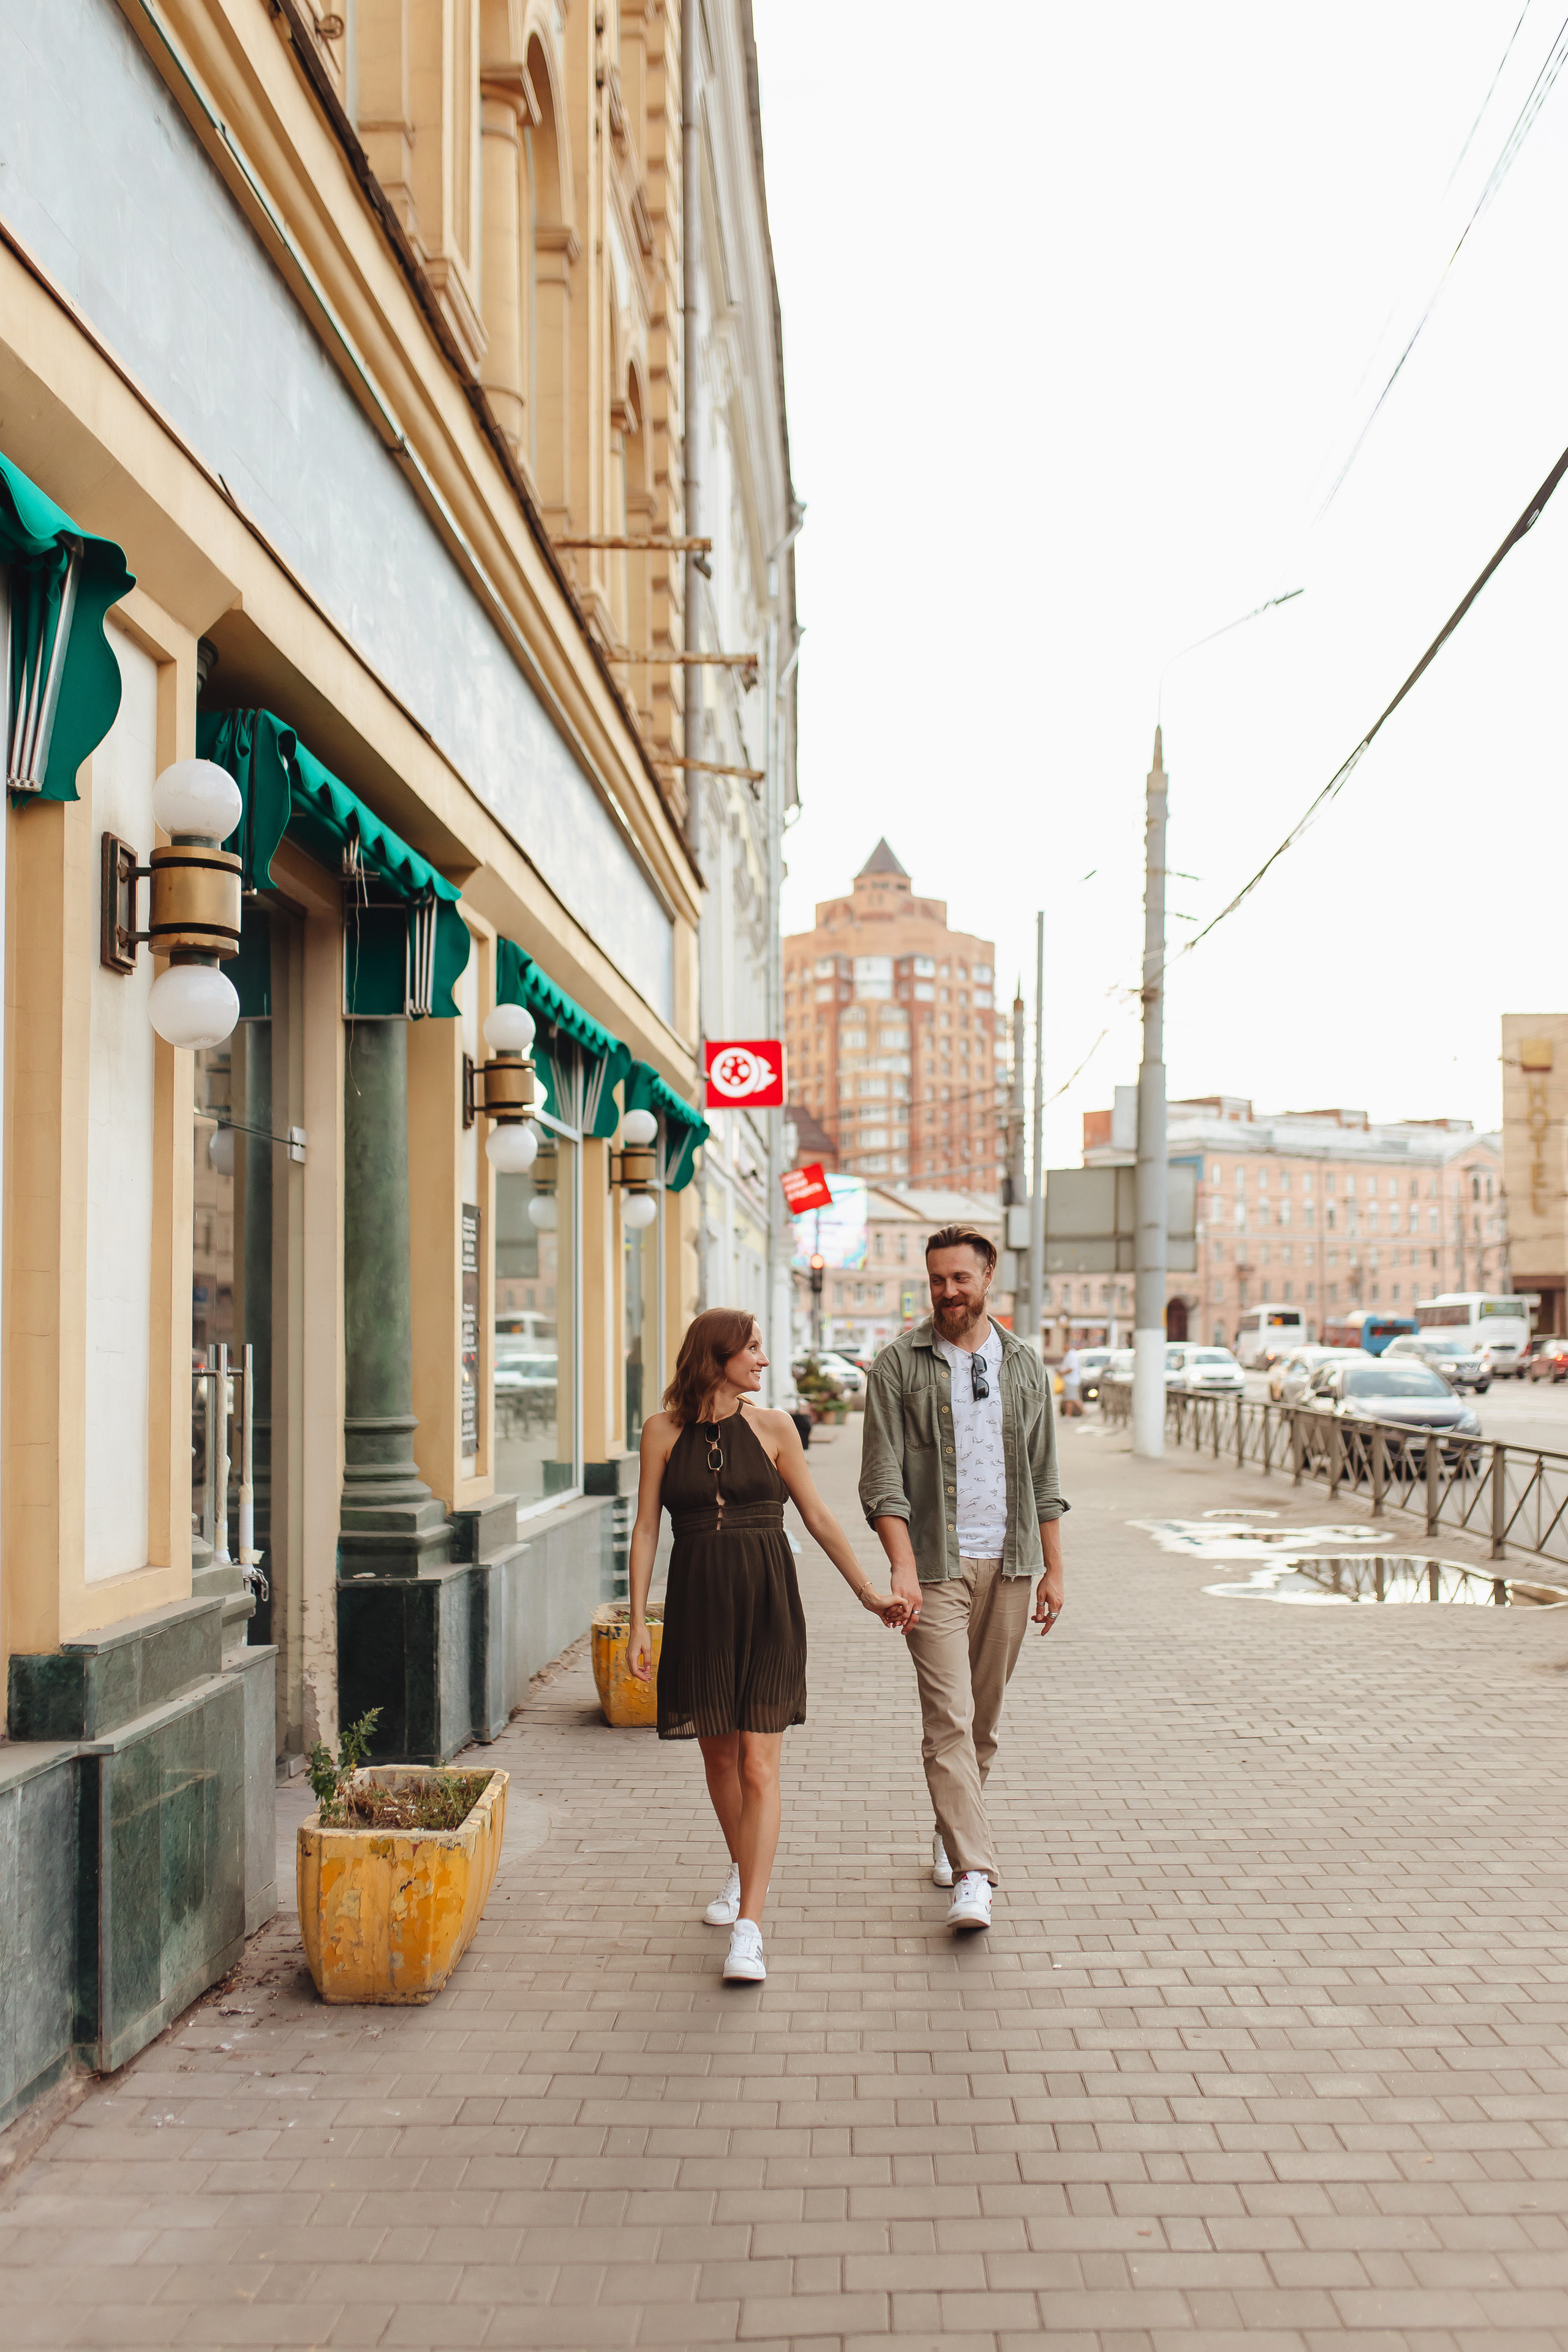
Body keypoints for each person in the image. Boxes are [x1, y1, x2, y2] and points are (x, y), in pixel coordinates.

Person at [627, 1308, 907, 1983]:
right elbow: (644, 1530)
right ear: (716, 1355)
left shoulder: (776, 1427)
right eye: (752, 1348)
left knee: (758, 1762)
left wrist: (868, 1591)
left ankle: (749, 1926)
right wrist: (639, 1621)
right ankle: (740, 1865)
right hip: (698, 1603)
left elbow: (817, 1515)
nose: (762, 1359)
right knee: (719, 1755)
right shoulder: (661, 1432)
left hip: (766, 1600)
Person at [859, 1225, 1067, 1933]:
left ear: (987, 1281)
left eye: (960, 1279)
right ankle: (975, 1875)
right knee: (947, 1721)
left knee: (982, 1723)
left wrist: (1054, 1570)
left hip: (1011, 1565)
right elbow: (881, 1478)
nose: (948, 1292)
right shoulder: (897, 1366)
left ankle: (952, 1829)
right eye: (937, 1280)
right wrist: (901, 1568)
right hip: (935, 1571)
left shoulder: (1024, 1365)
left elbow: (1044, 1472)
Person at [1060, 1343, 1084, 1417]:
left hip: (1071, 1380)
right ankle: (1068, 1414)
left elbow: (1071, 1368)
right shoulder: (1070, 1354)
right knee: (1070, 1398)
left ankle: (1070, 1414)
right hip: (1070, 1380)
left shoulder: (1072, 1355)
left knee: (1072, 1398)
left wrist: (1062, 1373)